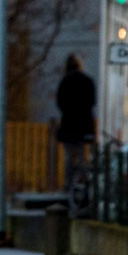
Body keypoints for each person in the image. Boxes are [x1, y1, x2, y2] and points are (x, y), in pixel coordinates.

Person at [57, 54, 98, 187]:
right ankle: (83, 182)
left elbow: (60, 102)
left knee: (69, 157)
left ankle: (68, 183)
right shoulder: (87, 81)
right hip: (84, 125)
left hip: (69, 125)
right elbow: (92, 101)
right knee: (82, 156)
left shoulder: (65, 81)